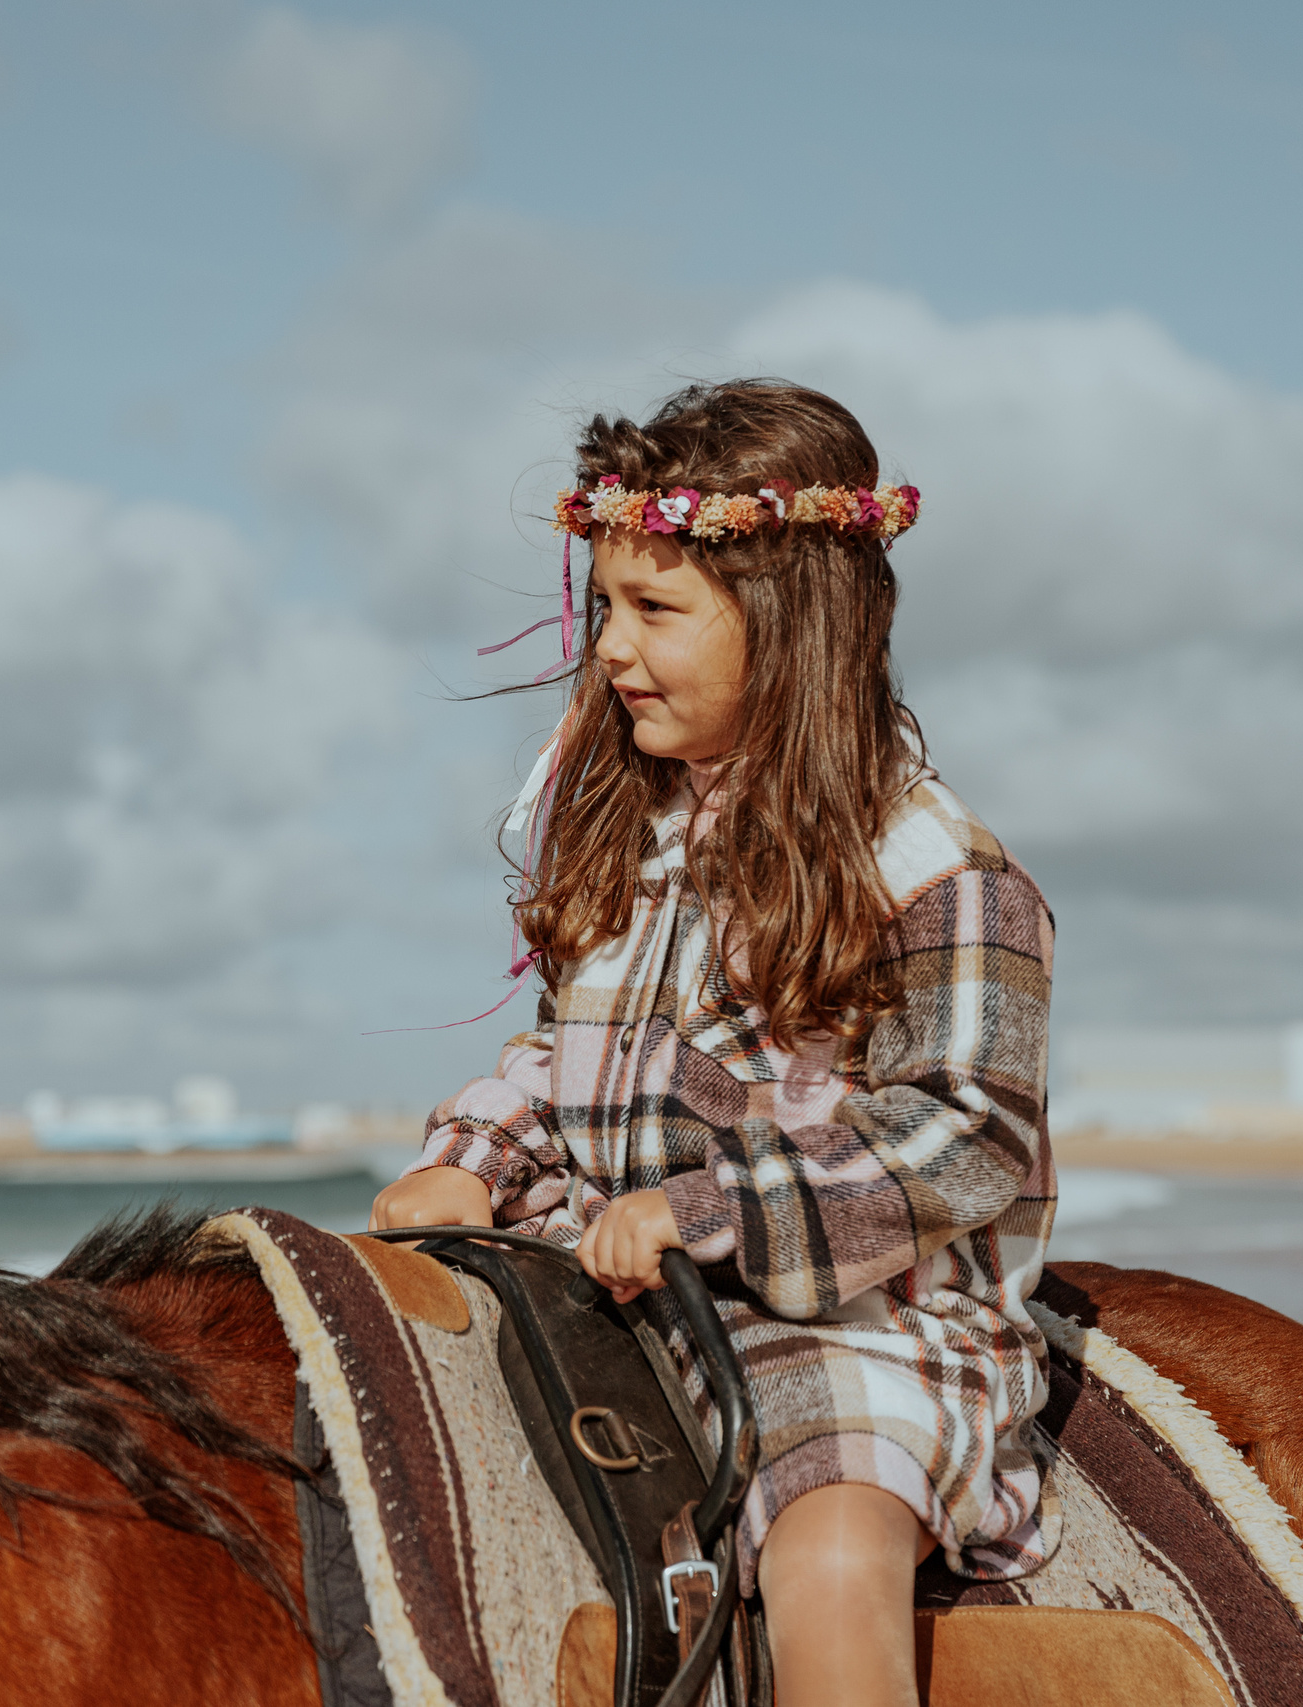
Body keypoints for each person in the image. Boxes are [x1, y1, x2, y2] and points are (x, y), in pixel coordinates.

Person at [370, 379, 1057, 1707]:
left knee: (830, 1549)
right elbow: (564, 1061)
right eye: (607, 607)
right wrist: (479, 1159)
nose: (612, 650)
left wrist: (707, 1209)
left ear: (793, 624)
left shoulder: (937, 873)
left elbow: (965, 1137)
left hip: (856, 1324)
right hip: (602, 1281)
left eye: (657, 610)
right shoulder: (635, 841)